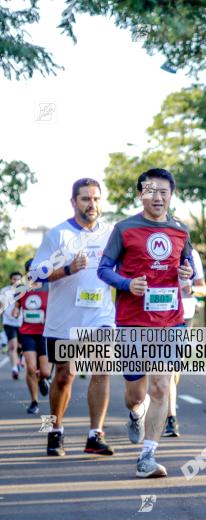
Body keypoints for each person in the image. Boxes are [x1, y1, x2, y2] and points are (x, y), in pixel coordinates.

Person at [97, 168, 194, 478]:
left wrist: (186, 275)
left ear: (171, 195)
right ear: (141, 194)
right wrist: (126, 284)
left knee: (162, 386)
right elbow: (103, 269)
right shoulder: (124, 229)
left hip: (169, 321)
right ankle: (135, 413)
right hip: (132, 321)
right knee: (136, 395)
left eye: (164, 191)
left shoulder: (181, 230)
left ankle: (147, 456)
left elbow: (186, 266)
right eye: (151, 191)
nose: (158, 197)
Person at [33, 178, 117, 456]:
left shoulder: (111, 234)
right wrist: (68, 269)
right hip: (64, 319)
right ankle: (54, 431)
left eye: (95, 199)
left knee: (101, 370)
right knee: (64, 376)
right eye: (85, 199)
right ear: (73, 202)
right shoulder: (58, 235)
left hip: (101, 316)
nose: (91, 204)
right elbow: (37, 274)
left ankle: (96, 435)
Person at [164, 246, 206, 437]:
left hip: (184, 314)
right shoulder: (149, 246)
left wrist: (191, 289)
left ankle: (169, 414)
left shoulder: (191, 253)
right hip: (155, 313)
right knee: (160, 367)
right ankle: (169, 416)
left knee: (173, 368)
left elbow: (202, 289)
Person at [14, 259, 52, 414]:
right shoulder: (22, 288)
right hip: (27, 333)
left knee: (45, 372)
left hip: (45, 333)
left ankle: (42, 379)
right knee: (30, 368)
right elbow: (17, 305)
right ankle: (34, 402)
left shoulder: (49, 287)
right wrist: (15, 311)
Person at [2, 272, 24, 379]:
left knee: (21, 346)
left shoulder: (25, 290)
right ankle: (14, 368)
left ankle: (19, 359)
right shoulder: (5, 291)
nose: (16, 281)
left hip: (22, 323)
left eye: (19, 279)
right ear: (11, 280)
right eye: (14, 279)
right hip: (8, 322)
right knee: (13, 346)